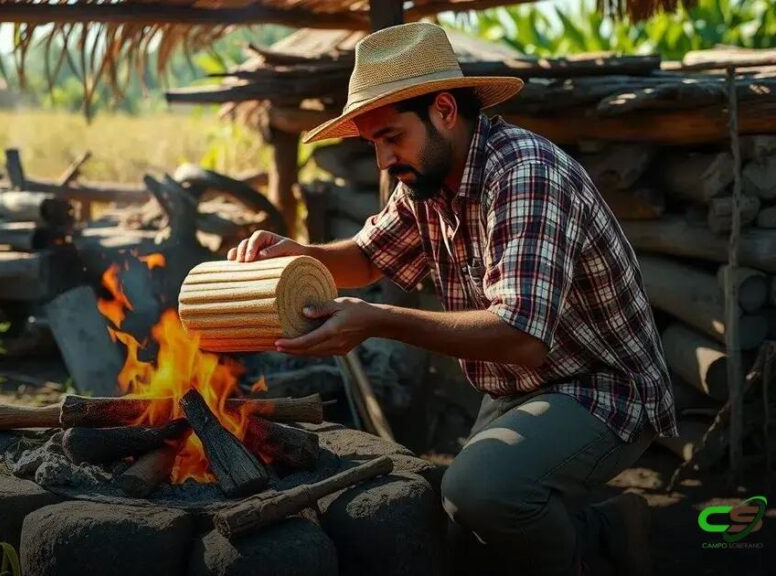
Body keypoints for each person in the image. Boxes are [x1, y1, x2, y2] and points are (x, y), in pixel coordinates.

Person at [228, 22, 677, 576]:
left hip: (602, 388)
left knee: (480, 491)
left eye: (391, 137)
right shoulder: (429, 178)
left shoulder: (524, 175)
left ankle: (586, 555)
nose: (384, 160)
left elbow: (521, 337)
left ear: (444, 110)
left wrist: (377, 320)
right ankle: (611, 528)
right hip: (520, 385)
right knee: (462, 534)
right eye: (373, 144)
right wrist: (299, 254)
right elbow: (370, 257)